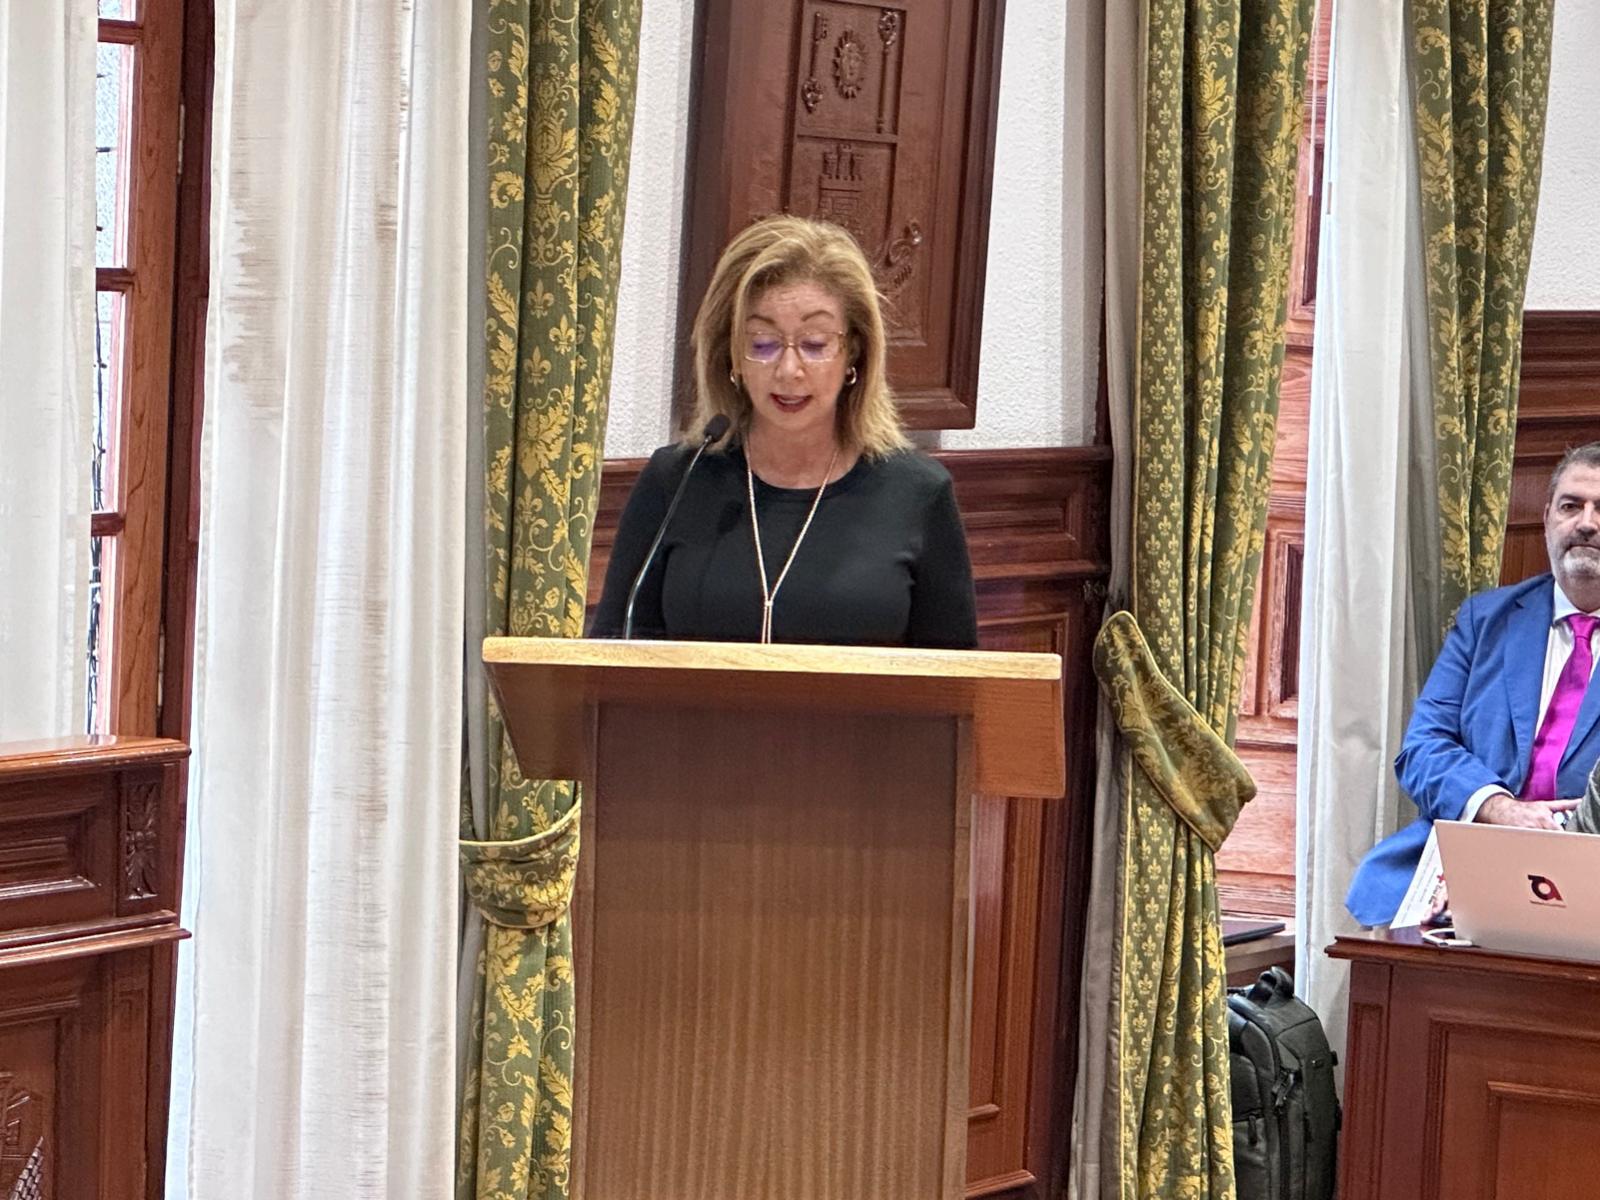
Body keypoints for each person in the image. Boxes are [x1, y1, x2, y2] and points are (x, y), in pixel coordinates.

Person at [590, 215, 979, 649]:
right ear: (732, 354)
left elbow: (955, 677)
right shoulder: (676, 481)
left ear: (853, 351)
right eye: (762, 343)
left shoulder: (918, 493)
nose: (789, 370)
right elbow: (612, 654)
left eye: (815, 344)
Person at [1346, 441, 1600, 926]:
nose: (1586, 523)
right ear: (1547, 518)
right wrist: (1500, 809)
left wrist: (1561, 836)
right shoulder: (1486, 621)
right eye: (1571, 506)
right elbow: (1423, 748)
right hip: (1468, 854)